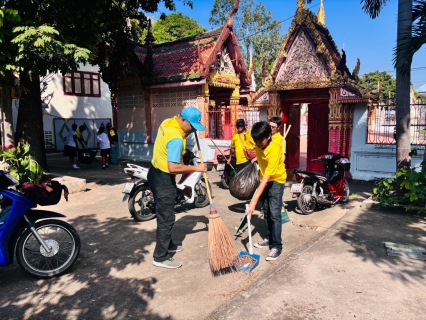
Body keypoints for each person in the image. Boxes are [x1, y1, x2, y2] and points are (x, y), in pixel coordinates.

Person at [148, 106, 207, 269]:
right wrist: (197, 168)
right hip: (163, 177)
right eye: (192, 127)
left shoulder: (168, 122)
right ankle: (160, 257)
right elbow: (173, 167)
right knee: (166, 218)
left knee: (167, 213)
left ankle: (169, 244)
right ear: (183, 120)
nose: (192, 131)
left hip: (154, 172)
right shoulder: (176, 139)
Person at [246, 121, 287, 261]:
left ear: (269, 136)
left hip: (276, 180)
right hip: (265, 178)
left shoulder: (275, 150)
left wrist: (252, 203)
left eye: (260, 141)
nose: (258, 144)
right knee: (266, 211)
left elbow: (266, 180)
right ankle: (269, 238)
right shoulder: (259, 144)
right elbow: (262, 167)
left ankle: (277, 246)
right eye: (255, 141)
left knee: (275, 213)